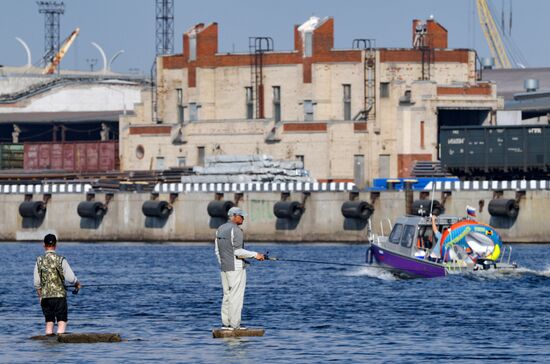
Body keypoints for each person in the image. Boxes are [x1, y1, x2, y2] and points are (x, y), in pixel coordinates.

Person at [214, 207, 264, 330]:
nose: (243, 218)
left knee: (227, 295)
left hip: (224, 267)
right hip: (236, 268)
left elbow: (217, 251)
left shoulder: (220, 229)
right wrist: (256, 255)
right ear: (234, 216)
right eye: (241, 216)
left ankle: (226, 324)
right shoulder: (236, 230)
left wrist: (223, 263)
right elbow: (238, 252)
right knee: (236, 296)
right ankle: (235, 325)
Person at [33, 234, 81, 335]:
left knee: (49, 322)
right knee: (62, 321)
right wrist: (77, 283)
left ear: (44, 245)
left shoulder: (39, 261)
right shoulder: (61, 259)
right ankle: (60, 343)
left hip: (45, 297)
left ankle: (48, 342)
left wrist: (40, 296)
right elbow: (71, 278)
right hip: (59, 297)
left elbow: (37, 283)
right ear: (55, 245)